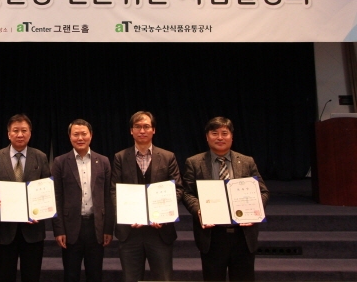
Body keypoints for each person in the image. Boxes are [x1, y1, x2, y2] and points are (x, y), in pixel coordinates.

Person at [182, 116, 269, 282]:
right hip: (212, 236)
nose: (220, 137)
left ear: (232, 136)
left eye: (224, 133)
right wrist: (199, 210)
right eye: (214, 133)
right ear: (207, 137)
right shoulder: (194, 162)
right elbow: (187, 193)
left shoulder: (247, 161)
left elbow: (263, 192)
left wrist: (255, 210)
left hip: (243, 235)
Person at [110, 111, 183, 282]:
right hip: (130, 232)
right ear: (131, 131)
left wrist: (163, 216)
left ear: (153, 130)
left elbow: (178, 189)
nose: (142, 130)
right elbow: (114, 190)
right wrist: (128, 216)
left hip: (160, 232)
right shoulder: (120, 157)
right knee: (131, 278)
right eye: (137, 127)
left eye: (146, 126)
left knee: (163, 278)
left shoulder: (168, 157)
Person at [0, 114, 51, 282]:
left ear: (30, 133)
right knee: (4, 276)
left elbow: (47, 189)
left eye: (24, 130)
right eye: (15, 130)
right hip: (4, 230)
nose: (20, 134)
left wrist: (42, 210)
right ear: (9, 134)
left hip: (33, 230)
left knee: (32, 276)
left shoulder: (40, 157)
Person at [52, 119, 114, 282]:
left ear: (91, 135)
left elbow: (108, 197)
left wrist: (108, 228)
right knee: (71, 275)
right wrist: (59, 230)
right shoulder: (60, 162)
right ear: (69, 137)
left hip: (96, 227)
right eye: (76, 134)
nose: (80, 138)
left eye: (84, 134)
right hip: (70, 227)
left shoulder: (103, 161)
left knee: (95, 274)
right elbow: (56, 197)